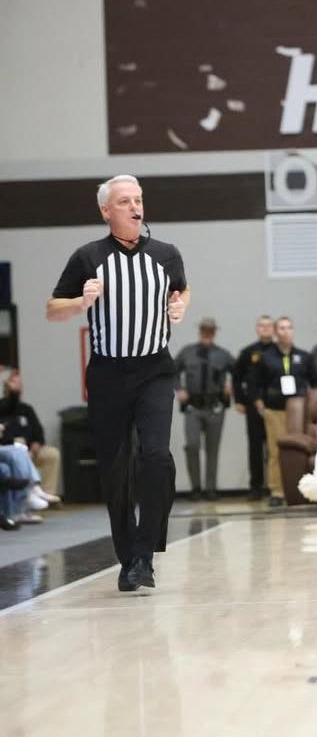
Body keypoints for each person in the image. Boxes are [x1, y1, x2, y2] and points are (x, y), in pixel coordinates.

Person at [46, 174, 190, 592]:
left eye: (138, 199)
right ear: (106, 211)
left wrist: (179, 305)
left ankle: (145, 552)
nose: (134, 207)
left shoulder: (166, 253)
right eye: (124, 201)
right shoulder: (87, 257)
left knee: (157, 457)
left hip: (155, 371)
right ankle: (128, 559)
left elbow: (181, 289)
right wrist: (81, 301)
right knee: (115, 469)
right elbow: (52, 309)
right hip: (108, 373)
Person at [254, 316, 317, 507]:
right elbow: (256, 384)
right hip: (275, 409)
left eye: (289, 327)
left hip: (299, 412)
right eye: (281, 328)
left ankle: (299, 488)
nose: (286, 331)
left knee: (299, 450)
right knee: (275, 451)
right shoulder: (266, 357)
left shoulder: (303, 356)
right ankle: (277, 490)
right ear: (275, 332)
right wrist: (260, 404)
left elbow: (314, 383)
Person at [174, 317, 234, 500]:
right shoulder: (187, 352)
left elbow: (239, 372)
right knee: (192, 445)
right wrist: (179, 388)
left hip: (215, 407)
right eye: (204, 330)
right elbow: (172, 371)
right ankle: (196, 488)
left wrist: (231, 384)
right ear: (200, 331)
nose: (207, 334)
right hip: (193, 406)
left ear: (214, 333)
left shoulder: (223, 355)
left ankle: (210, 489)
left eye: (210, 331)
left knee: (212, 448)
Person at [0, 370, 61, 507]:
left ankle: (45, 494)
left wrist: (37, 443)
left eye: (19, 384)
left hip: (31, 448)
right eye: (14, 383)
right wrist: (13, 393)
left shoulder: (27, 409)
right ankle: (28, 495)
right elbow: (10, 405)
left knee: (52, 454)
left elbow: (38, 430)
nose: (18, 386)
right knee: (20, 451)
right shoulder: (3, 407)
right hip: (12, 446)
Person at [233, 314, 274, 500]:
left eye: (268, 326)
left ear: (273, 329)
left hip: (274, 405)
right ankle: (256, 487)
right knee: (255, 447)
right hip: (253, 407)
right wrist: (240, 401)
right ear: (257, 329)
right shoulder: (248, 352)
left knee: (274, 447)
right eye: (261, 326)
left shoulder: (278, 350)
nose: (265, 329)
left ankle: (275, 487)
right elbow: (237, 378)